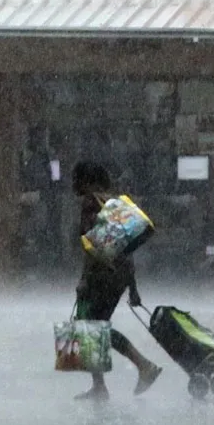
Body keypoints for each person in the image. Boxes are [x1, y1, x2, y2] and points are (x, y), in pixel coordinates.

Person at [71, 161, 161, 401]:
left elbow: (94, 247)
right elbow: (125, 248)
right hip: (119, 275)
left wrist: (84, 280)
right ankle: (102, 385)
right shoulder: (114, 202)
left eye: (76, 179)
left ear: (87, 181)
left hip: (101, 275)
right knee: (95, 327)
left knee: (93, 328)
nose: (73, 185)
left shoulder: (91, 204)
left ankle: (143, 366)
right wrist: (132, 287)